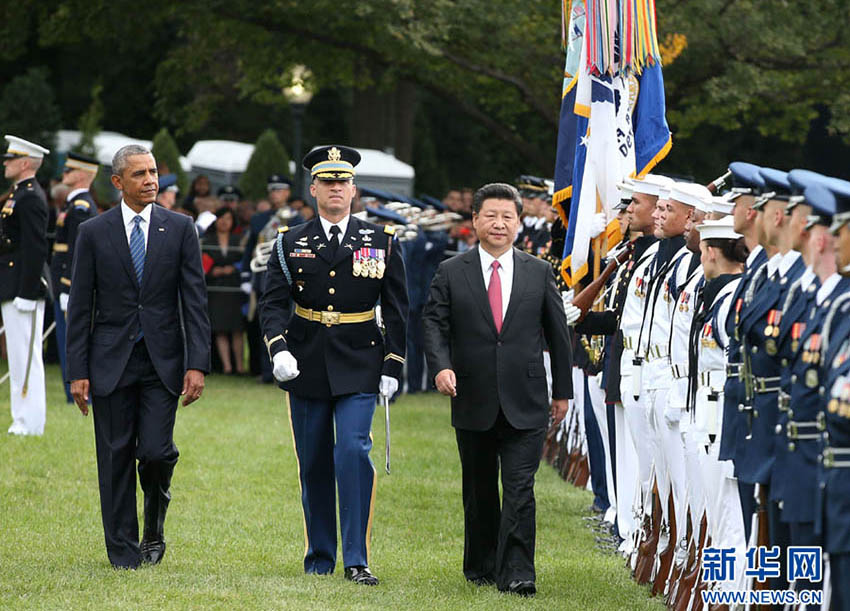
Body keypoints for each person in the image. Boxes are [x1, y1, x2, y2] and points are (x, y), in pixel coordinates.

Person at [259, 145, 408, 586]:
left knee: (352, 453)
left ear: (354, 188)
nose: (336, 188)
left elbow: (398, 309)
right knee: (314, 461)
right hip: (305, 361)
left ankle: (357, 559)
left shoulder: (381, 241)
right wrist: (278, 348)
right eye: (328, 181)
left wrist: (392, 365)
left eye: (343, 181)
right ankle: (321, 555)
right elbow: (271, 303)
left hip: (361, 358)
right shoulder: (290, 241)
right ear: (314, 188)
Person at [423, 182, 573, 597]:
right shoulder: (451, 271)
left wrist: (562, 392)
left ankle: (519, 571)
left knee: (521, 488)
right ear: (474, 220)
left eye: (508, 217)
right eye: (491, 215)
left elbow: (558, 335)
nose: (499, 224)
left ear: (519, 223)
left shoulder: (539, 271)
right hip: (472, 395)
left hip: (526, 399)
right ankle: (482, 565)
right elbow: (434, 324)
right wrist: (441, 367)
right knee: (480, 488)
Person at [65, 144, 210, 569]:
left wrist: (197, 363)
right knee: (114, 458)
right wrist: (77, 371)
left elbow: (195, 302)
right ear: (117, 183)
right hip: (109, 362)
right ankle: (123, 553)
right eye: (140, 174)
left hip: (162, 362)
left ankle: (154, 526)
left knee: (156, 451)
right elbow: (79, 308)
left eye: (153, 173)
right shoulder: (93, 232)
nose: (151, 181)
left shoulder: (180, 229)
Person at [0, 135, 50, 435]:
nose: (5, 163)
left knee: (26, 356)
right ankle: (21, 418)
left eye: (10, 159)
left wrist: (28, 292)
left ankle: (30, 422)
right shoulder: (19, 193)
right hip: (11, 282)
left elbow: (35, 247)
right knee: (17, 357)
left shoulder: (30, 196)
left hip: (23, 287)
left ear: (25, 163)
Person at [52, 152, 99, 404]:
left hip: (69, 287)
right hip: (62, 286)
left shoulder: (81, 207)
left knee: (73, 341)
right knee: (65, 340)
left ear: (82, 175)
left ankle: (80, 392)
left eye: (69, 171)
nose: (64, 174)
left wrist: (68, 286)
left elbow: (77, 253)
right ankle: (73, 391)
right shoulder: (73, 204)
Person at [202, 206, 246, 375]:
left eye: (228, 218)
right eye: (221, 218)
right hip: (216, 288)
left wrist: (233, 268)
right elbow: (203, 263)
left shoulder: (239, 239)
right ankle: (227, 366)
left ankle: (240, 367)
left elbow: (246, 260)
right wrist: (215, 271)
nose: (224, 222)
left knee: (237, 329)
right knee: (220, 328)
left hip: (235, 288)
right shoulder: (207, 240)